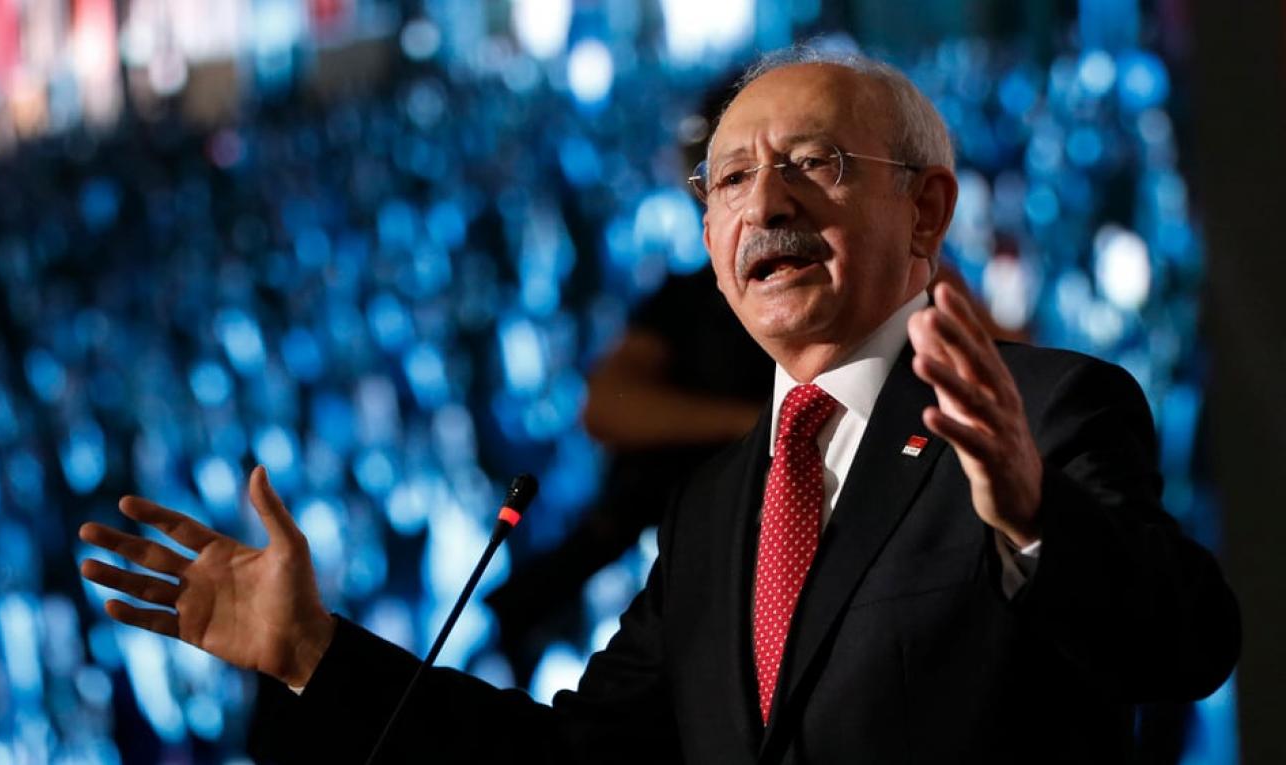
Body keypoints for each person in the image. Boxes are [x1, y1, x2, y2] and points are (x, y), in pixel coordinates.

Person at [78, 47, 1240, 763]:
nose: (764, 203)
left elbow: (1187, 645)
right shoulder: (715, 510)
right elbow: (573, 760)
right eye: (728, 178)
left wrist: (1032, 520)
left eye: (814, 164)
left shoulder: (1049, 411)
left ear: (926, 211)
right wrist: (314, 654)